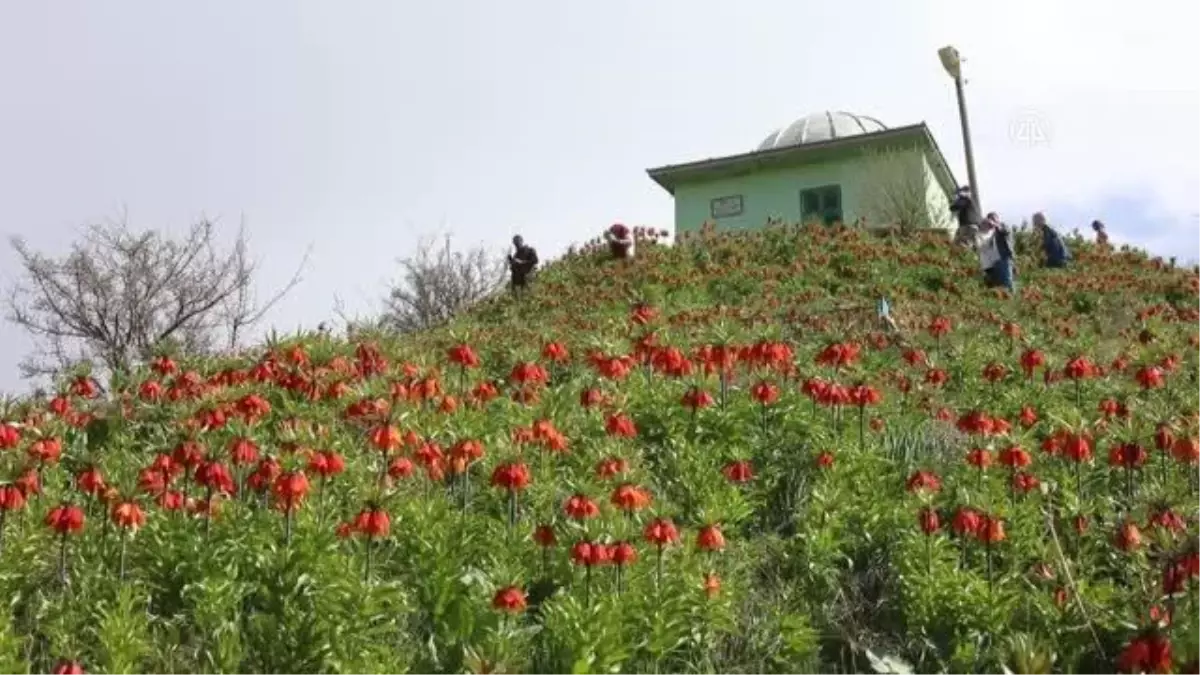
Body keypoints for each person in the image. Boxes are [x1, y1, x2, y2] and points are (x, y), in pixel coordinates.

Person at [978, 212, 1015, 291]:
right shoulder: (992, 234)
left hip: (1004, 260)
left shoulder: (1003, 226)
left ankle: (1012, 299)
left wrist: (995, 224)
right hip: (995, 263)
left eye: (994, 219)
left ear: (998, 219)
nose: (991, 222)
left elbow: (1005, 231)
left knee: (1007, 284)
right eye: (990, 219)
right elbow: (984, 247)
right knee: (999, 287)